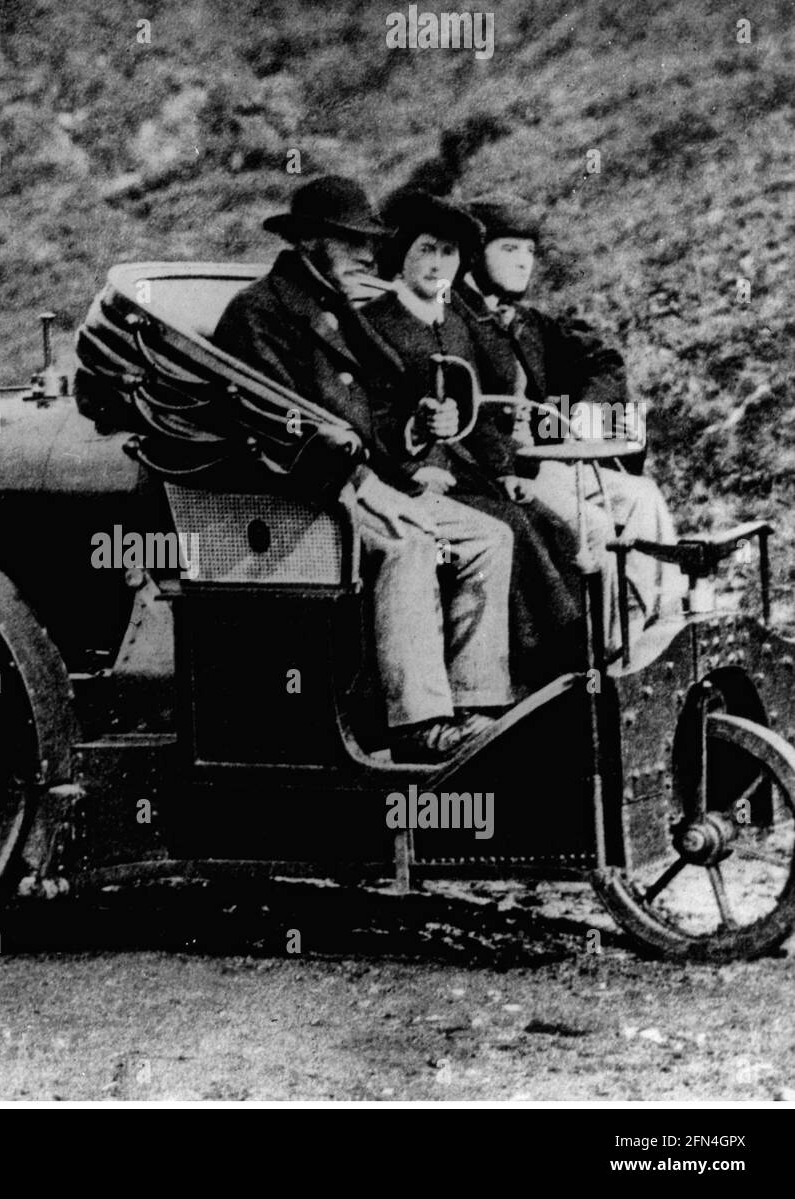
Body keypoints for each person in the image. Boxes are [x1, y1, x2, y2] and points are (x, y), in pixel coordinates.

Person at [212, 175, 515, 762]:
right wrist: (365, 485)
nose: (368, 255)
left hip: (357, 481)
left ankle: (476, 702)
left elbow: (377, 408)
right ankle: (420, 725)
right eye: (351, 241)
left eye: (370, 242)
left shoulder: (335, 306)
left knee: (489, 537)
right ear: (309, 242)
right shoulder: (259, 313)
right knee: (407, 541)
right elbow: (279, 427)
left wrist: (416, 427)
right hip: (297, 492)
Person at [356, 190, 587, 688]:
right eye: (426, 250)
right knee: (511, 528)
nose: (438, 264)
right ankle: (533, 663)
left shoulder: (454, 323)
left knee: (549, 522)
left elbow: (477, 412)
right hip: (407, 480)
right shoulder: (374, 324)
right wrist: (415, 451)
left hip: (464, 471)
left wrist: (504, 473)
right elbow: (369, 417)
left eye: (449, 253)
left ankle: (562, 656)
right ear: (400, 254)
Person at [458, 194, 686, 651]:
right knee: (594, 528)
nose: (524, 262)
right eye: (509, 249)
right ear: (473, 255)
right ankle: (608, 650)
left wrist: (585, 410)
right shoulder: (452, 319)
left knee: (642, 498)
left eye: (529, 251)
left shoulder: (526, 321)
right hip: (493, 475)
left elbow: (602, 361)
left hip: (543, 463)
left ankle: (661, 627)